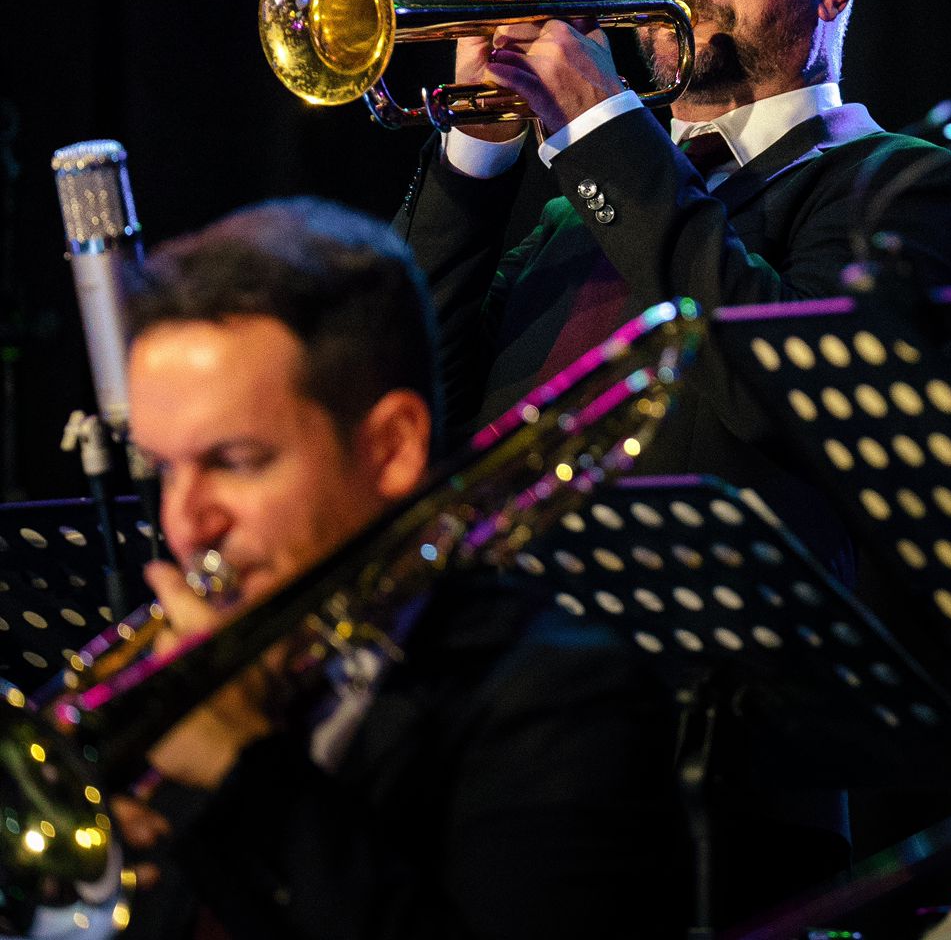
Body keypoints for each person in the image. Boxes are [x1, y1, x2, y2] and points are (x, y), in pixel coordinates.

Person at [398, 0, 951, 561]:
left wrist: (602, 127)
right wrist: (476, 147)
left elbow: (785, 399)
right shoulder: (576, 213)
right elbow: (402, 400)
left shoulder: (896, 185)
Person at [112, 198, 684, 940]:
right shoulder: (217, 692)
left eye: (236, 461)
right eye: (165, 469)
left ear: (391, 448)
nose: (185, 524)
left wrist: (242, 769)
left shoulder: (562, 699)